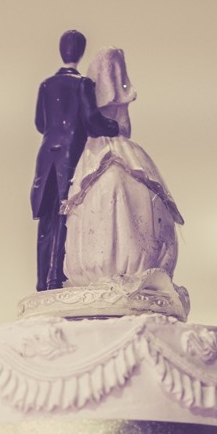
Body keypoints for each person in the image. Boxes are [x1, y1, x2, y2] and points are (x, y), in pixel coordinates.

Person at [61, 47, 184, 286]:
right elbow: (124, 128)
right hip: (116, 151)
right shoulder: (111, 103)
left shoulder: (87, 96)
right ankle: (121, 264)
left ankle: (121, 264)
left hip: (99, 151)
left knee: (114, 193)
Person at [31, 30, 120, 292]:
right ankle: (55, 277)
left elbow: (40, 123)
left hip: (46, 154)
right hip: (72, 153)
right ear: (80, 53)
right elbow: (92, 122)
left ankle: (41, 282)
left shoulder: (46, 85)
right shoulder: (82, 85)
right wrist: (114, 126)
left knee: (46, 216)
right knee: (64, 212)